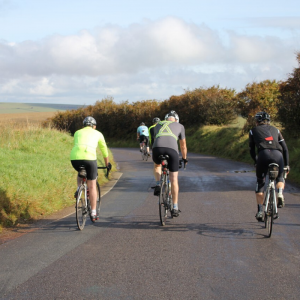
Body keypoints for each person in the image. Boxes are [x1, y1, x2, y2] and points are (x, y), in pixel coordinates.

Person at [249, 111, 290, 222]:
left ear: (257, 121)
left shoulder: (253, 131)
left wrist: (256, 161)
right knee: (280, 176)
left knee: (261, 182)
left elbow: (251, 149)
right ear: (268, 121)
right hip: (278, 155)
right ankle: (280, 193)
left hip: (263, 155)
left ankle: (260, 210)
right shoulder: (276, 130)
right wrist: (287, 165)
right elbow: (285, 149)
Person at [70, 116, 111, 221]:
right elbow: (104, 150)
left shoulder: (77, 132)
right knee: (92, 186)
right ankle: (93, 212)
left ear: (83, 125)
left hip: (74, 158)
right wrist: (107, 164)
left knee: (81, 171)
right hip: (90, 159)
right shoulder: (98, 133)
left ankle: (79, 187)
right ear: (94, 126)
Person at [152, 110, 188, 217]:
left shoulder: (157, 125)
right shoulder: (180, 126)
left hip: (157, 149)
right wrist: (184, 159)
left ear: (165, 119)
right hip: (172, 150)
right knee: (174, 179)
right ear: (176, 120)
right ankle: (175, 207)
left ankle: (158, 183)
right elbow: (183, 146)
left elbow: (155, 139)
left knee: (157, 165)